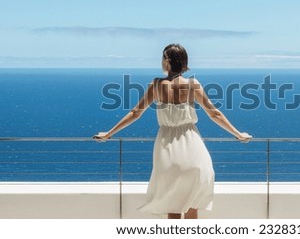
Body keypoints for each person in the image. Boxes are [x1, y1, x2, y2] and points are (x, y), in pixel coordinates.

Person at [93, 44, 252, 219]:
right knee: (193, 202)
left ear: (168, 61)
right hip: (191, 144)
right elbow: (214, 113)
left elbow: (135, 113)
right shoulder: (192, 84)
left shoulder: (156, 85)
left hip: (166, 146)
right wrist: (238, 134)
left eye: (163, 58)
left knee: (173, 204)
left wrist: (109, 133)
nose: (161, 61)